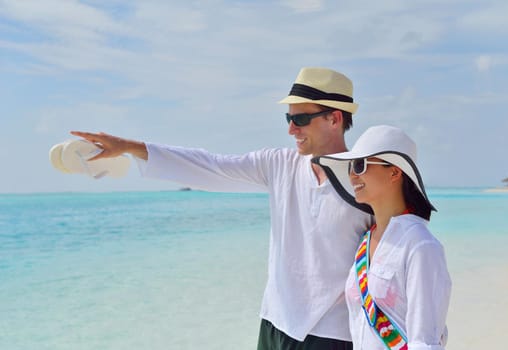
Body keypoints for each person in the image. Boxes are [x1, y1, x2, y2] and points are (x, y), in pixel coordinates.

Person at [71, 67, 374, 349]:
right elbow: (212, 167)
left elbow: (398, 258)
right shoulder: (279, 164)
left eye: (301, 119)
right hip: (275, 322)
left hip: (334, 334)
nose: (291, 129)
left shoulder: (368, 180)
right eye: (288, 119)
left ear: (335, 119)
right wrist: (130, 147)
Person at [313, 125, 451, 349]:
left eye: (360, 165)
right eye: (350, 166)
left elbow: (425, 342)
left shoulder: (421, 245)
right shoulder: (365, 243)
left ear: (395, 172)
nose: (351, 175)